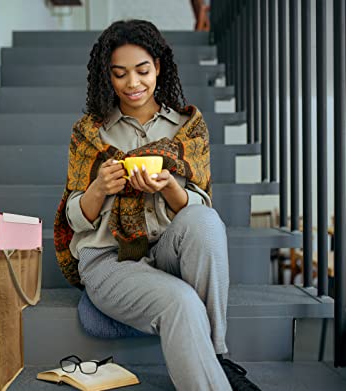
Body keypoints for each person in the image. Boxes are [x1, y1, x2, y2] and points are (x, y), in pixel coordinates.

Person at [54, 19, 261, 391]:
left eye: (142, 71)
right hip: (111, 260)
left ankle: (214, 356)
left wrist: (168, 188)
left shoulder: (187, 128)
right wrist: (99, 189)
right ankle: (214, 373)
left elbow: (198, 205)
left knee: (206, 221)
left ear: (159, 68)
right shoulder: (90, 132)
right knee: (181, 301)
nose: (132, 84)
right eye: (119, 74)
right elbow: (74, 219)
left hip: (167, 251)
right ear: (107, 77)